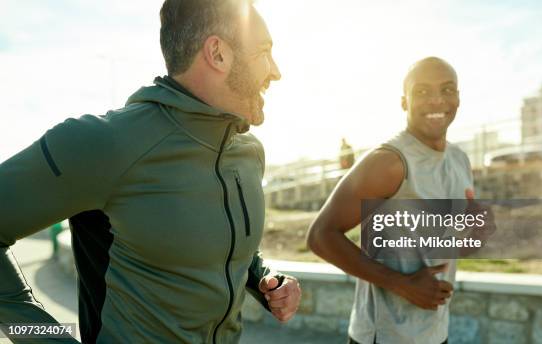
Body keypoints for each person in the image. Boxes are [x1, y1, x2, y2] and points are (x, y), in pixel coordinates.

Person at [0, 1, 301, 343]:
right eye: (264, 52)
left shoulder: (248, 152)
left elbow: (218, 244)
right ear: (217, 53)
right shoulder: (104, 142)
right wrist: (41, 337)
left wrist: (266, 278)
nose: (275, 71)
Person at [307, 57, 475, 344]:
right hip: (383, 336)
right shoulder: (389, 162)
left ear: (458, 97)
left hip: (435, 333)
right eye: (422, 91)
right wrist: (403, 285)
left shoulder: (460, 160)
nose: (436, 100)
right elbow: (320, 236)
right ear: (404, 102)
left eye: (447, 90)